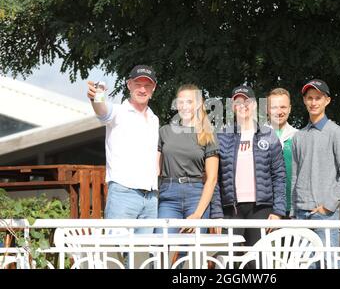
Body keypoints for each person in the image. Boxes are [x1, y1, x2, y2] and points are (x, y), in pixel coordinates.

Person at [211, 85, 286, 268]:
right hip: (231, 209)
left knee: (257, 263)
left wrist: (277, 211)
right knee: (227, 262)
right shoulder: (221, 135)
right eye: (238, 102)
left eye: (247, 101)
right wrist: (217, 214)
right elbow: (215, 179)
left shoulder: (268, 135)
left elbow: (279, 176)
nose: (243, 105)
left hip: (260, 208)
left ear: (254, 105)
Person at [87, 65, 159, 234]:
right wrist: (96, 97)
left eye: (147, 85)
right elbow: (102, 110)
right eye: (138, 84)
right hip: (123, 192)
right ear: (129, 85)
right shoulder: (118, 111)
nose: (142, 89)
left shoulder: (154, 119)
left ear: (153, 88)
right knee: (117, 253)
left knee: (143, 258)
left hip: (150, 196)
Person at [292, 79, 340, 268]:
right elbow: (295, 175)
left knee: (329, 264)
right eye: (309, 98)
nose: (313, 102)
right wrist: (293, 209)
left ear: (327, 101)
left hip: (325, 214)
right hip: (300, 213)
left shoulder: (338, 133)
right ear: (304, 101)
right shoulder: (298, 136)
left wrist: (328, 205)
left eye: (318, 98)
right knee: (303, 265)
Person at [157, 84, 219, 234]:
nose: (184, 106)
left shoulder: (208, 134)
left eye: (189, 102)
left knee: (192, 252)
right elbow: (155, 170)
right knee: (161, 246)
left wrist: (198, 214)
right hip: (168, 196)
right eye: (181, 102)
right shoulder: (165, 131)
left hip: (196, 196)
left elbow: (212, 179)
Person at [267, 88, 298, 217]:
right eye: (274, 107)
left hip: (292, 208)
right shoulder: (256, 136)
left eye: (283, 107)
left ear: (290, 109)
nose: (279, 112)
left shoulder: (298, 136)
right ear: (267, 110)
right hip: (265, 208)